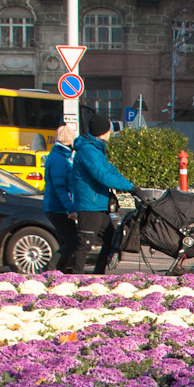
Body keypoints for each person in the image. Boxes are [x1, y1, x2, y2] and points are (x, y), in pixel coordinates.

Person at [68, 108, 137, 273]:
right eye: (108, 130)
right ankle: (75, 277)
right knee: (85, 242)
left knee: (111, 238)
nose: (110, 133)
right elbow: (102, 175)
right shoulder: (88, 151)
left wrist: (131, 186)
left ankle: (98, 274)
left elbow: (110, 170)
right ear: (102, 132)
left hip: (98, 202)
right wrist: (129, 187)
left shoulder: (96, 149)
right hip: (89, 203)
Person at [42, 124, 85, 272]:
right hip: (57, 208)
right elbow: (59, 187)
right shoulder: (59, 159)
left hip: (56, 206)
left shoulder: (60, 156)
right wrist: (70, 209)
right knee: (73, 242)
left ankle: (58, 272)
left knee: (66, 241)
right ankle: (50, 269)